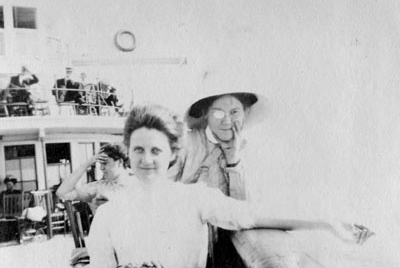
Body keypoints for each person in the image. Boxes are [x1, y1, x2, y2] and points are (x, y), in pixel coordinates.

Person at [87, 104, 373, 268]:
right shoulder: (107, 216)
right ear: (128, 151)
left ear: (173, 154)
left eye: (156, 151)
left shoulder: (194, 199)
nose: (146, 160)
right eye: (138, 150)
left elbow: (251, 215)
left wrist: (326, 223)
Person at [56, 143, 131, 214]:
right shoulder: (100, 187)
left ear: (120, 162)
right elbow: (62, 192)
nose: (101, 168)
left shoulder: (137, 184)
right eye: (100, 164)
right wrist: (87, 164)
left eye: (105, 163)